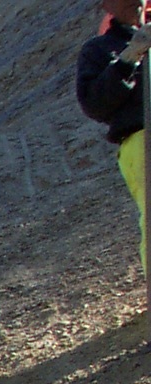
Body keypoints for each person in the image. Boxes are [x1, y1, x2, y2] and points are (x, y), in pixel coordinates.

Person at [80, 0, 151, 273]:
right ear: (105, 5)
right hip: (141, 139)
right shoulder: (99, 50)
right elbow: (94, 104)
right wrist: (128, 58)